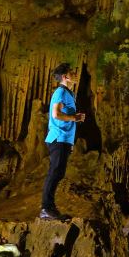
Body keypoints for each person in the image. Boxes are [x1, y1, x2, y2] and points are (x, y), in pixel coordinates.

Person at [41, 63, 86, 222]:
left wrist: (75, 117)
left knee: (58, 173)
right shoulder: (60, 92)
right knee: (55, 172)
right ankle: (46, 208)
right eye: (71, 72)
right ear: (65, 77)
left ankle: (48, 207)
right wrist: (74, 117)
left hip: (64, 139)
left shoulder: (68, 94)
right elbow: (56, 114)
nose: (75, 73)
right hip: (59, 137)